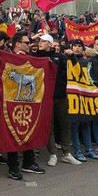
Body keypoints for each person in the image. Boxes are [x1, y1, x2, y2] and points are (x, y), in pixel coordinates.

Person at [33, 34, 81, 166]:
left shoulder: (60, 57)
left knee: (65, 125)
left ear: (49, 43)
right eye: (40, 41)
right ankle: (53, 154)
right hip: (45, 97)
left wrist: (72, 56)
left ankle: (66, 153)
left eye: (43, 41)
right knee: (50, 127)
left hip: (60, 96)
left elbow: (75, 71)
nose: (40, 43)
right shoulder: (36, 56)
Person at [5, 32, 45, 179]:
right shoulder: (5, 56)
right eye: (27, 42)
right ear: (18, 44)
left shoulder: (30, 57)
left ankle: (29, 162)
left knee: (29, 130)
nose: (30, 45)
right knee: (12, 134)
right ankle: (13, 167)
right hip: (9, 101)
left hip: (28, 100)